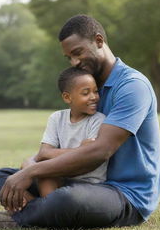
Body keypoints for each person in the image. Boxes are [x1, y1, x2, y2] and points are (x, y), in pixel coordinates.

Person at [0, 14, 160, 229]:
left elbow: (99, 152)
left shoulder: (132, 86)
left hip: (124, 193)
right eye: (69, 57)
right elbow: (49, 148)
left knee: (68, 200)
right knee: (3, 177)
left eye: (77, 53)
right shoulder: (85, 87)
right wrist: (29, 166)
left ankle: (24, 218)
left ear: (98, 41)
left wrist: (32, 171)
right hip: (75, 180)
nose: (74, 62)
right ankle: (45, 212)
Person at [24, 67, 107, 198]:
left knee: (35, 171)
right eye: (85, 93)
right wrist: (81, 149)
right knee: (2, 176)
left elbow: (86, 158)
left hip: (89, 185)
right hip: (62, 176)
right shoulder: (57, 118)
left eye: (95, 92)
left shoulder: (98, 120)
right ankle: (46, 209)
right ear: (67, 97)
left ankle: (40, 210)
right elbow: (44, 153)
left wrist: (48, 155)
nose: (94, 97)